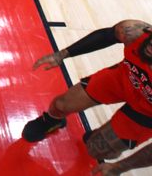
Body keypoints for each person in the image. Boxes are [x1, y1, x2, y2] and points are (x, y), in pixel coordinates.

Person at [21, 20, 152, 175]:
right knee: (60, 105)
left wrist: (119, 167)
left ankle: (107, 133)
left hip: (146, 112)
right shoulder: (136, 33)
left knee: (96, 149)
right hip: (124, 78)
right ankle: (51, 121)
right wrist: (60, 55)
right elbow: (107, 35)